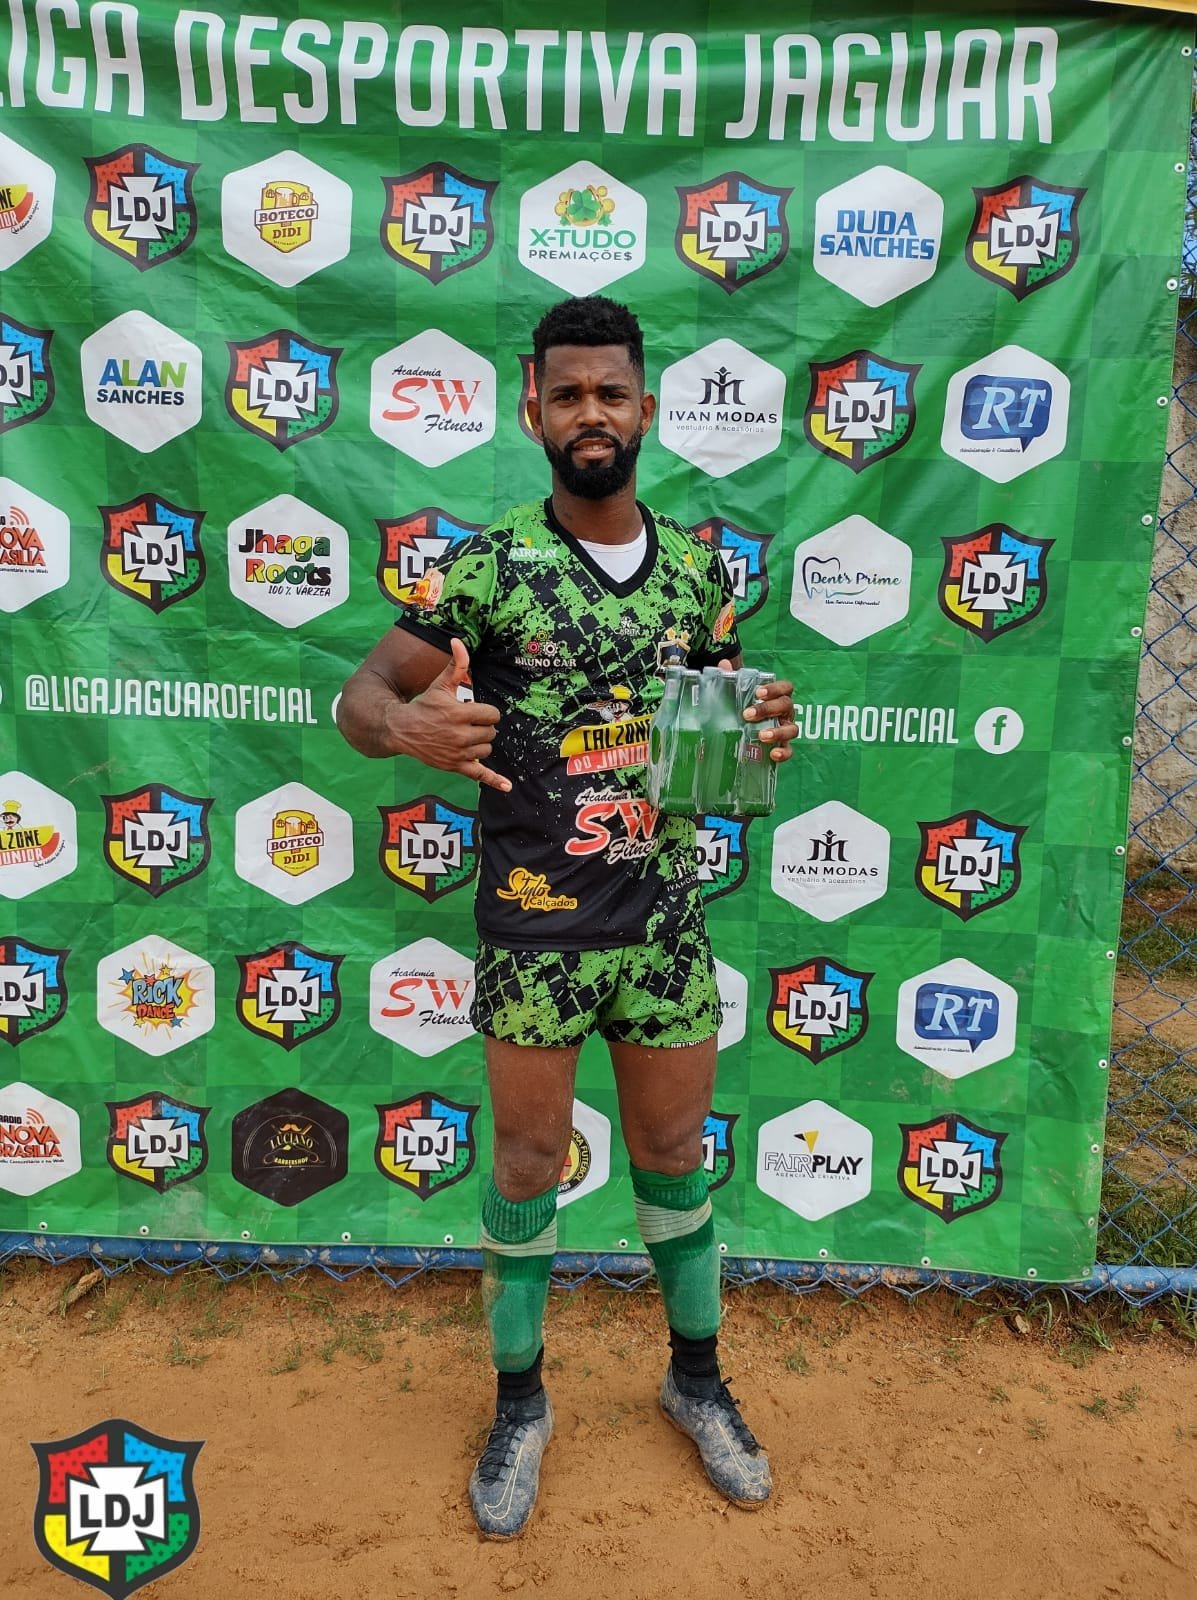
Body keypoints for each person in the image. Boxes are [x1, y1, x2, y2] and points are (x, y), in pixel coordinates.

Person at [337, 295, 798, 1538]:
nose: (592, 413)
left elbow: (713, 754)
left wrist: (761, 733)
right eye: (569, 393)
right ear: (532, 407)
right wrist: (408, 727)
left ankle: (696, 1381)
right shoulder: (486, 566)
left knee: (674, 1157)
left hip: (665, 926)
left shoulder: (700, 570)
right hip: (534, 930)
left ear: (646, 408)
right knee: (528, 1166)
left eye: (612, 392)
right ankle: (520, 1403)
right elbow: (362, 696)